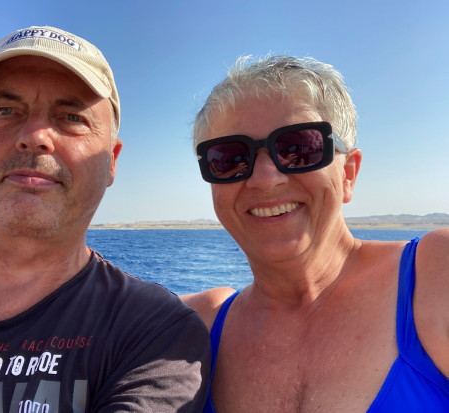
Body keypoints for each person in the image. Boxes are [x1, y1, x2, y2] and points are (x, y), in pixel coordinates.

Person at [0, 26, 209, 412]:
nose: (34, 136)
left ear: (111, 161)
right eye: (4, 111)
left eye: (72, 117)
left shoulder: (154, 334)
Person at [182, 55, 449, 412]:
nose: (265, 179)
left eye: (298, 149)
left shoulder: (436, 275)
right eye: (230, 158)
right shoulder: (194, 327)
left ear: (348, 173)